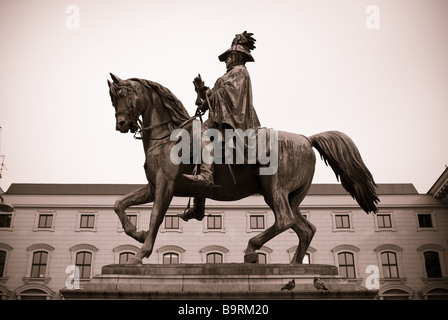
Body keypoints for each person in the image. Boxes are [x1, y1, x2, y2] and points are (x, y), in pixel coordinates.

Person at [180, 31, 261, 221]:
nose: (226, 61)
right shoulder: (227, 75)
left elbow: (230, 96)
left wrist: (211, 92)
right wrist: (202, 90)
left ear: (237, 56)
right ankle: (198, 208)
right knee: (193, 142)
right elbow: (207, 102)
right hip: (218, 118)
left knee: (202, 137)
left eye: (229, 57)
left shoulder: (241, 72)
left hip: (232, 121)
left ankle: (207, 176)